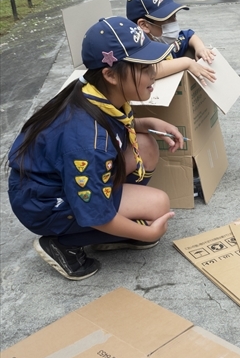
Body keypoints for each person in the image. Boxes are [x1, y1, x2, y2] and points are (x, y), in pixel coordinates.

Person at [7, 16, 181, 281]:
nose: (153, 73)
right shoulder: (87, 140)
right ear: (110, 74)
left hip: (64, 181)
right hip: (44, 203)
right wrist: (148, 232)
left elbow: (114, 124)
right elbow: (92, 207)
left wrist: (146, 122)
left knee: (145, 144)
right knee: (158, 205)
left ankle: (119, 225)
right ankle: (64, 244)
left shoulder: (94, 90)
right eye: (143, 67)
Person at [126, 0, 216, 84]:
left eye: (174, 16)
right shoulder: (134, 50)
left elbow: (188, 35)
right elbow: (150, 70)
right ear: (144, 25)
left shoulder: (166, 41)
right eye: (168, 19)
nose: (174, 22)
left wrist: (200, 48)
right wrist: (187, 62)